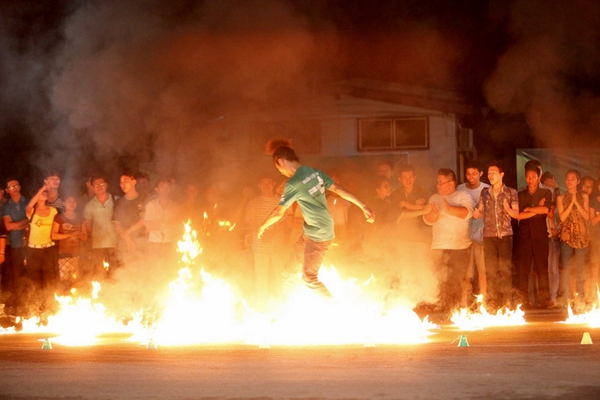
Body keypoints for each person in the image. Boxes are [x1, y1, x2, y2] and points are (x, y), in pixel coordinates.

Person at [258, 139, 375, 298]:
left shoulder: (293, 183)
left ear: (281, 161)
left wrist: (262, 227)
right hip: (310, 233)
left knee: (309, 278)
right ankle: (290, 308)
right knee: (287, 273)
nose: (279, 172)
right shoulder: (315, 172)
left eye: (277, 168)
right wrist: (363, 206)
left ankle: (334, 312)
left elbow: (279, 212)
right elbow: (339, 190)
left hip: (319, 235)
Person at [423, 168, 474, 312]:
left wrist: (450, 208)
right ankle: (441, 306)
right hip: (439, 245)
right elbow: (428, 220)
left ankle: (455, 308)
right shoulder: (434, 198)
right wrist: (433, 214)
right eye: (437, 183)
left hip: (460, 246)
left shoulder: (463, 195)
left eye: (441, 183)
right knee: (439, 277)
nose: (438, 186)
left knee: (457, 278)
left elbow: (467, 213)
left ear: (451, 183)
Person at [475, 161, 519, 307]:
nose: (490, 175)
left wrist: (508, 209)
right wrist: (477, 212)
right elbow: (480, 210)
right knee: (491, 270)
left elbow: (516, 214)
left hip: (505, 235)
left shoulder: (511, 192)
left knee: (505, 269)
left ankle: (507, 301)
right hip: (489, 236)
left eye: (493, 172)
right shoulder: (485, 192)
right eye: (488, 173)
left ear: (501, 174)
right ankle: (493, 301)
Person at [510, 165, 553, 309]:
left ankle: (544, 300)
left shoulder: (546, 192)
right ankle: (524, 300)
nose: (530, 180)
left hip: (540, 235)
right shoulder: (520, 195)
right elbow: (519, 216)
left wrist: (530, 209)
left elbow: (546, 210)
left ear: (539, 177)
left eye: (533, 177)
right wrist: (536, 209)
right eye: (528, 177)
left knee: (542, 269)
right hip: (524, 236)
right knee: (524, 270)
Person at [244, 176, 287, 311]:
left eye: (269, 181)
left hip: (277, 245)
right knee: (261, 277)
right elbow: (251, 221)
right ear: (259, 185)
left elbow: (284, 221)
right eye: (263, 182)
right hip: (259, 246)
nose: (266, 184)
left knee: (279, 274)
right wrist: (260, 234)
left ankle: (281, 302)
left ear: (273, 183)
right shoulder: (253, 203)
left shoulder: (280, 201)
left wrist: (272, 233)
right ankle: (262, 305)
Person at [557, 169, 590, 308]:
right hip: (566, 237)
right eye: (567, 179)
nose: (569, 181)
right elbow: (562, 217)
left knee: (580, 268)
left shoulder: (584, 197)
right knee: (567, 268)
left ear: (577, 181)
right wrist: (571, 202)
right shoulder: (561, 198)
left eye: (572, 179)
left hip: (582, 238)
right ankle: (567, 297)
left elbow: (587, 216)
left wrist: (577, 202)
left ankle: (580, 297)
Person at [25, 185, 59, 317]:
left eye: (45, 192)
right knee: (35, 279)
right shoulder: (31, 211)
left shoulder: (53, 210)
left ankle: (50, 307)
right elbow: (29, 205)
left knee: (49, 278)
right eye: (41, 193)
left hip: (49, 248)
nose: (44, 194)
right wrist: (40, 189)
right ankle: (37, 309)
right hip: (34, 250)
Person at [457, 161, 490, 298]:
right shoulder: (460, 189)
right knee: (466, 271)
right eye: (468, 174)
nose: (471, 177)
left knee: (482, 270)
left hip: (480, 235)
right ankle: (464, 300)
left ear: (480, 174)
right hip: (463, 234)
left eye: (474, 174)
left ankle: (484, 299)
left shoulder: (487, 189)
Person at [2, 179, 30, 316]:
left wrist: (17, 224)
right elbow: (8, 226)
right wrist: (26, 222)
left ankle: (31, 305)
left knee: (31, 275)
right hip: (15, 246)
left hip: (30, 245)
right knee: (17, 277)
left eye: (16, 185)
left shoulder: (28, 201)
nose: (14, 188)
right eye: (11, 187)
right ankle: (18, 307)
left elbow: (35, 219)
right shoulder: (6, 207)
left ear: (20, 186)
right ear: (7, 190)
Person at [83, 174, 118, 278]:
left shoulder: (116, 200)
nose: (99, 186)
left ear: (106, 185)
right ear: (92, 188)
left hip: (115, 244)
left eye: (101, 184)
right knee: (101, 274)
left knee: (116, 273)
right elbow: (88, 225)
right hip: (98, 245)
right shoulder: (89, 205)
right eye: (96, 185)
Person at [52, 195, 87, 292]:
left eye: (74, 201)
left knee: (77, 281)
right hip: (64, 254)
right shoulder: (59, 217)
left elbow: (85, 237)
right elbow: (54, 236)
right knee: (65, 281)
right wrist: (71, 234)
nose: (72, 203)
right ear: (63, 203)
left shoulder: (80, 217)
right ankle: (65, 300)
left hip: (78, 254)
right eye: (69, 201)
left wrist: (79, 235)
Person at [112, 171, 146, 266]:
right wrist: (128, 239)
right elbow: (116, 223)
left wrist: (128, 232)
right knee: (127, 270)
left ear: (134, 182)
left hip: (141, 240)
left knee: (143, 269)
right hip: (125, 242)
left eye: (126, 181)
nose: (123, 185)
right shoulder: (119, 202)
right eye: (121, 182)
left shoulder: (143, 199)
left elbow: (144, 220)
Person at [144, 178, 180, 261]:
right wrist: (166, 224)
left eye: (167, 187)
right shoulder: (151, 205)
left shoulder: (175, 207)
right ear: (157, 189)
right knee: (155, 268)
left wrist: (158, 224)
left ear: (170, 189)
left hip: (170, 243)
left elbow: (176, 226)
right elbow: (149, 227)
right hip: (154, 244)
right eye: (161, 187)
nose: (164, 189)